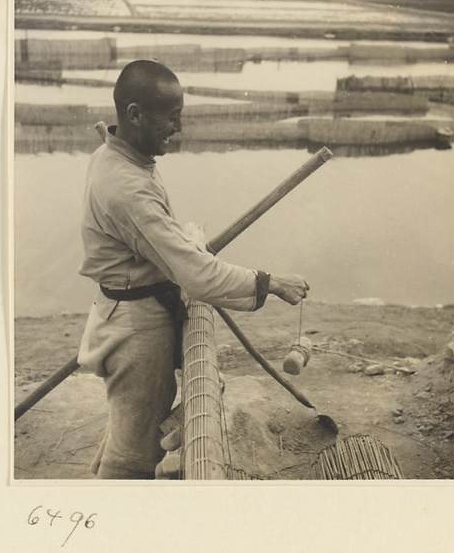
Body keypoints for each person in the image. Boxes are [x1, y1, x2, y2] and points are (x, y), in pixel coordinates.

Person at [77, 59, 310, 479]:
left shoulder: (114, 157)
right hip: (135, 332)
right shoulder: (127, 188)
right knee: (131, 458)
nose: (178, 128)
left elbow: (159, 242)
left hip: (129, 316)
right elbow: (197, 275)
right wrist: (269, 283)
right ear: (134, 115)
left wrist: (182, 245)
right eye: (171, 118)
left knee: (133, 428)